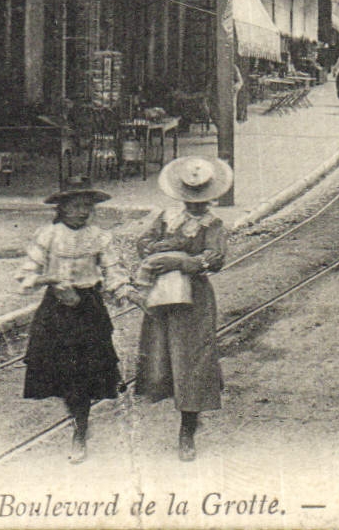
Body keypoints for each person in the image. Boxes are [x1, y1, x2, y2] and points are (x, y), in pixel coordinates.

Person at [16, 186, 137, 464]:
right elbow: (27, 275)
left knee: (84, 373)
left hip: (89, 308)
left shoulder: (99, 237)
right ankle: (77, 420)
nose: (82, 212)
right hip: (56, 311)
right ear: (62, 208)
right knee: (64, 372)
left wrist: (125, 290)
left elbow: (112, 270)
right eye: (75, 206)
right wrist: (51, 280)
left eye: (87, 207)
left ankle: (80, 431)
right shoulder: (48, 235)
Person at [134, 156, 231, 462]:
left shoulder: (212, 224)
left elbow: (214, 258)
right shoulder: (166, 216)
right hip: (163, 293)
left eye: (202, 198)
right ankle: (169, 400)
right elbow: (144, 242)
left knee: (193, 359)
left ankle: (187, 429)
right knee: (162, 354)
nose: (197, 204)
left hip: (194, 298)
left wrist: (179, 260)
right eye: (191, 198)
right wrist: (159, 249)